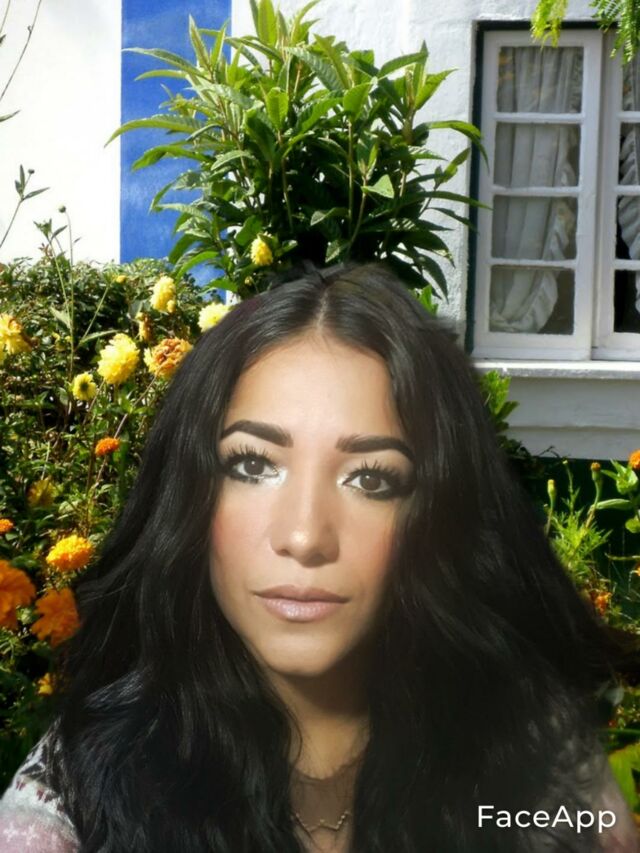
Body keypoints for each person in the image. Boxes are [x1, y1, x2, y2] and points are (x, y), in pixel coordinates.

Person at [1, 260, 639, 852]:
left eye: (372, 478)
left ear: (436, 515)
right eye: (253, 465)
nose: (305, 537)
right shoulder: (74, 792)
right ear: (188, 494)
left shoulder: (539, 771)